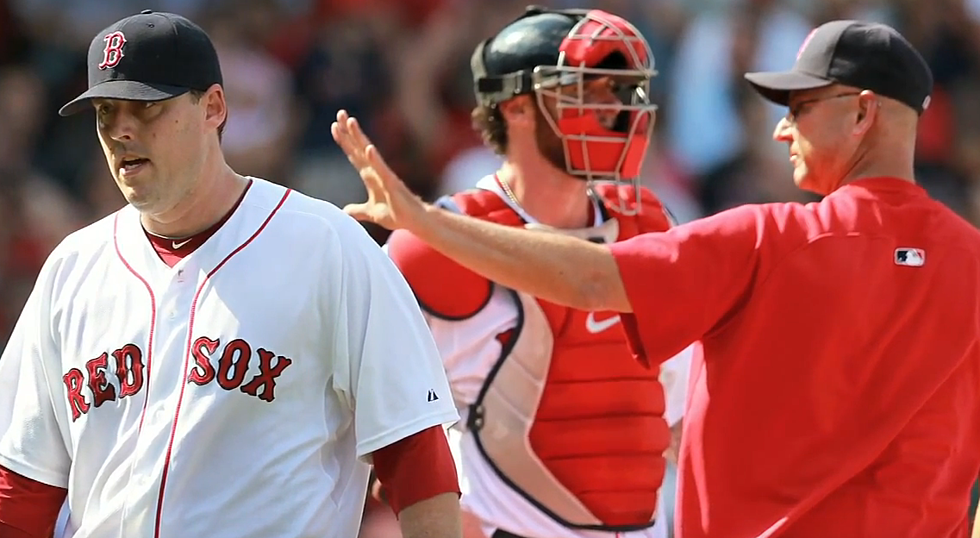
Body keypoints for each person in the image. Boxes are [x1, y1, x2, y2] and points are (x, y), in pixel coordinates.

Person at [332, 18, 980, 538]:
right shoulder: (971, 262)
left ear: (863, 113)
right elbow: (378, 428)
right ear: (520, 108)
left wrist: (420, 219)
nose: (782, 127)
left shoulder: (767, 237)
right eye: (593, 89)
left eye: (801, 106)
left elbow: (594, 285)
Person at [0, 10, 462, 538]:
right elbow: (22, 487)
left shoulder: (326, 247)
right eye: (106, 111)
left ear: (214, 108)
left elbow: (417, 462)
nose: (121, 130)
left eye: (145, 107)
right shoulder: (72, 268)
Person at [374, 6, 691, 538]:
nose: (614, 109)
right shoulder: (434, 246)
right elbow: (368, 424)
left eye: (618, 90)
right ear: (518, 108)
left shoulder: (651, 225)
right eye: (586, 92)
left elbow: (680, 416)